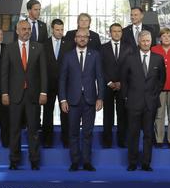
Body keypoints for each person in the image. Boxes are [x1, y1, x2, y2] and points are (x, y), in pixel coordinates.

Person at [1, 20, 48, 170]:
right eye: (23, 29)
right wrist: (4, 93)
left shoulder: (39, 48)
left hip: (33, 96)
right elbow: (4, 74)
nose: (27, 31)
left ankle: (34, 160)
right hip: (14, 96)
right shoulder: (9, 48)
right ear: (17, 31)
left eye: (28, 29)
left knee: (33, 130)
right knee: (14, 130)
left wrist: (43, 92)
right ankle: (14, 160)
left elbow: (43, 73)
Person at [59, 28, 104, 172]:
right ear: (75, 39)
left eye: (85, 36)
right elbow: (62, 80)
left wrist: (100, 97)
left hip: (90, 100)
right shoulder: (67, 56)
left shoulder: (95, 55)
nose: (82, 38)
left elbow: (100, 78)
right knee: (72, 132)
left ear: (88, 38)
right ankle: (74, 161)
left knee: (87, 133)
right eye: (79, 36)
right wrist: (62, 99)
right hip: (72, 100)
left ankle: (86, 162)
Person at [121, 30, 166, 171]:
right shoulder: (129, 58)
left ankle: (146, 163)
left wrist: (154, 94)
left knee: (148, 134)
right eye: (143, 41)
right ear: (139, 42)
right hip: (134, 102)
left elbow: (161, 80)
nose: (146, 43)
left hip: (150, 103)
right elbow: (124, 80)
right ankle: (132, 162)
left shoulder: (158, 58)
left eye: (148, 41)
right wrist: (126, 97)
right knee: (133, 134)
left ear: (151, 41)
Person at [100, 23, 133, 148]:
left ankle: (121, 141)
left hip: (123, 86)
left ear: (122, 32)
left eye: (119, 31)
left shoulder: (129, 48)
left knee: (122, 115)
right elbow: (100, 68)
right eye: (114, 31)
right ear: (110, 33)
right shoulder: (103, 48)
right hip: (107, 86)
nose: (117, 33)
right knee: (107, 115)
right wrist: (109, 82)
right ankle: (107, 142)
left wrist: (122, 83)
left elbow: (131, 68)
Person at [42, 19, 72, 148]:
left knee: (65, 112)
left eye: (62, 29)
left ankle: (66, 140)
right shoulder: (43, 44)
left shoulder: (69, 44)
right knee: (47, 112)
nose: (60, 32)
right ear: (52, 29)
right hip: (48, 84)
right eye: (57, 30)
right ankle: (47, 141)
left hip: (65, 85)